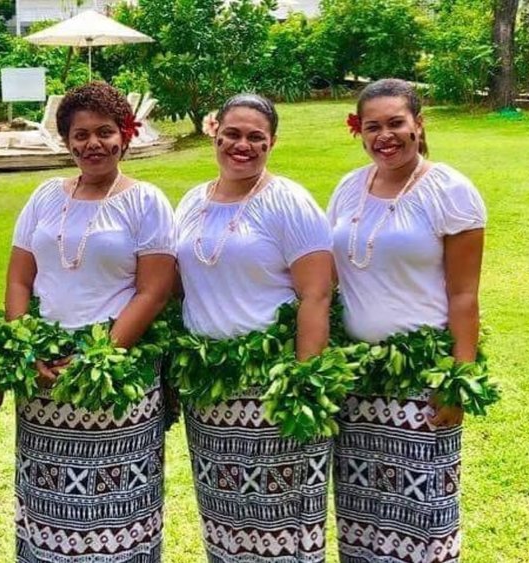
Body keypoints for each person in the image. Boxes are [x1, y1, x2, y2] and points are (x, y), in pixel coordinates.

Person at [5, 81, 177, 562]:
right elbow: (19, 281)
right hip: (44, 382)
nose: (92, 144)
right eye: (80, 135)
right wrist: (26, 348)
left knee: (117, 508)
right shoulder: (43, 197)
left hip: (117, 380)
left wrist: (97, 358)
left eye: (104, 132)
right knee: (48, 505)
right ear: (67, 140)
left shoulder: (146, 201)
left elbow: (154, 290)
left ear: (125, 135)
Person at [329, 78, 487, 563]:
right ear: (359, 131)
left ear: (418, 124)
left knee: (422, 514)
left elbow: (463, 294)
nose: (385, 136)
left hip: (421, 382)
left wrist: (458, 381)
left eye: (396, 123)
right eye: (372, 126)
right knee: (362, 516)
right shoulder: (348, 187)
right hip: (354, 385)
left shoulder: (450, 191)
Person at [175, 94, 335, 562]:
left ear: (272, 143)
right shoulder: (192, 201)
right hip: (210, 397)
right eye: (233, 134)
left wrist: (303, 382)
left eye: (255, 138)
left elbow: (317, 293)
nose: (242, 145)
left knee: (279, 519)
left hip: (272, 389)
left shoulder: (288, 201)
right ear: (215, 132)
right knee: (224, 518)